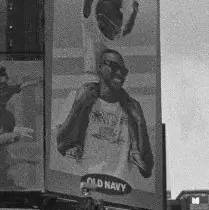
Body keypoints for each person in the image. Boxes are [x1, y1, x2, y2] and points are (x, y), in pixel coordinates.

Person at [56, 49, 154, 183]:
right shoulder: (77, 96)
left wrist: (140, 123)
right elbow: (62, 144)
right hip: (83, 188)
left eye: (124, 71)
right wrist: (79, 105)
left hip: (118, 191)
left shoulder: (133, 108)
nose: (120, 73)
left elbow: (147, 168)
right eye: (114, 66)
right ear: (100, 68)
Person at [82, 0, 139, 75]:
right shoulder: (93, 29)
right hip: (92, 76)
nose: (117, 29)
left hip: (109, 81)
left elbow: (127, 29)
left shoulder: (114, 34)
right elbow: (87, 5)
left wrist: (134, 12)